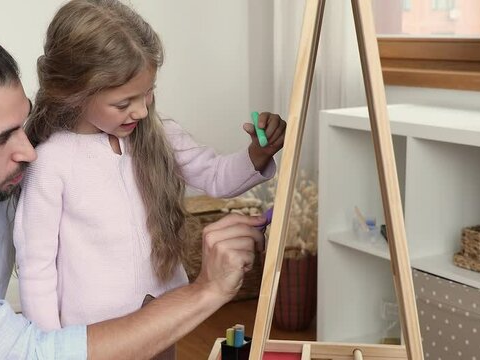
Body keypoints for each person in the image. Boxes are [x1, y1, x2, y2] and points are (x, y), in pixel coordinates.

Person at [0, 25, 267, 360]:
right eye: (2, 138)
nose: (29, 151)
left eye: (24, 122)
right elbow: (33, 353)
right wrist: (208, 289)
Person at [14, 2, 286, 356]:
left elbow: (217, 177)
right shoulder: (50, 163)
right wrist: (50, 348)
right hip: (94, 338)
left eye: (148, 93)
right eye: (124, 102)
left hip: (161, 318)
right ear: (72, 92)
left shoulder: (159, 135)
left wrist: (258, 154)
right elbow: (36, 269)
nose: (142, 110)